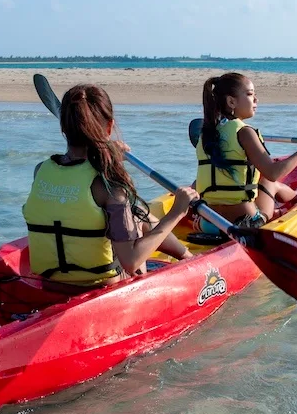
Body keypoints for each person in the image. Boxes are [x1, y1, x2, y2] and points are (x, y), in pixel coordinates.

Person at [22, 84, 195, 286]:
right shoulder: (111, 188)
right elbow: (130, 262)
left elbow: (77, 178)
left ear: (63, 128)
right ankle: (190, 259)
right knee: (138, 214)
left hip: (51, 284)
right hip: (103, 288)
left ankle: (188, 257)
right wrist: (177, 213)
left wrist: (107, 158)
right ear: (110, 127)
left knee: (138, 211)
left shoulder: (41, 170)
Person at [195, 72, 297, 230]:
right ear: (231, 101)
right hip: (243, 223)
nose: (256, 99)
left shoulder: (206, 132)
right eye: (250, 94)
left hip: (208, 223)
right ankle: (292, 199)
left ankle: (291, 196)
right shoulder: (244, 132)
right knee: (268, 181)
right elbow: (273, 173)